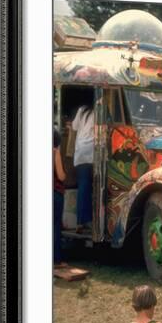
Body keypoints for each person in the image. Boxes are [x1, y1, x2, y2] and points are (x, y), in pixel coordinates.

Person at [70, 92, 94, 233]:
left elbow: (74, 127)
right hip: (91, 152)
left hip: (80, 152)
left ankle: (81, 221)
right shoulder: (99, 110)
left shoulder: (82, 110)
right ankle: (85, 220)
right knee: (88, 187)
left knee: (83, 186)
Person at [53, 129, 67, 268]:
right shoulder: (54, 152)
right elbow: (61, 175)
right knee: (55, 227)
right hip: (55, 194)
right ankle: (56, 260)